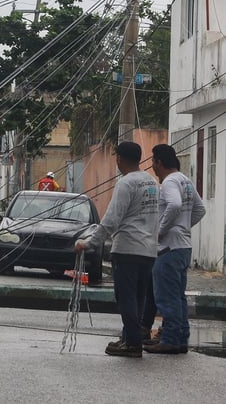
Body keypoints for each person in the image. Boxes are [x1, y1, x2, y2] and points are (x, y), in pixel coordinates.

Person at [75, 141, 159, 358]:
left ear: (119, 159)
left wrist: (89, 243)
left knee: (126, 297)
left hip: (128, 249)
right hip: (148, 250)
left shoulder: (126, 183)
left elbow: (112, 219)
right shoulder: (151, 182)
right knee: (139, 297)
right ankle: (131, 336)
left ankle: (131, 343)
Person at [142, 144, 206, 354]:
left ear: (159, 162)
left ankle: (170, 339)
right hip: (183, 247)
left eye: (153, 162)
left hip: (168, 248)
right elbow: (200, 209)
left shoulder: (169, 182)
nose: (153, 167)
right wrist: (184, 226)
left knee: (166, 297)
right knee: (178, 296)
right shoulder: (184, 180)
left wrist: (161, 230)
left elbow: (175, 205)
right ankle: (180, 338)